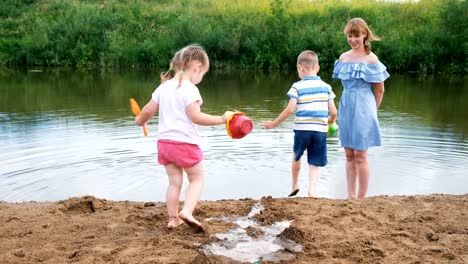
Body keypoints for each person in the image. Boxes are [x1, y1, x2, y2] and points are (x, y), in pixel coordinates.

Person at [135, 44, 233, 231]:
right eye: (202, 74)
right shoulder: (190, 89)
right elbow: (196, 117)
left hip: (164, 145)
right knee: (197, 179)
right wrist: (222, 119)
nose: (201, 78)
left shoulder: (163, 87)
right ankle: (187, 212)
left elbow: (147, 111)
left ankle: (172, 219)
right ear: (196, 68)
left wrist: (140, 120)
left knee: (174, 182)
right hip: (185, 144)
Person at [261, 50, 337, 198]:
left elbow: (290, 109)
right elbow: (334, 111)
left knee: (297, 156)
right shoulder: (327, 87)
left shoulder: (297, 86)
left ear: (300, 68)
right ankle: (312, 191)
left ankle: (295, 185)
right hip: (320, 130)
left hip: (302, 129)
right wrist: (330, 122)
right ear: (318, 68)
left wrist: (274, 123)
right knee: (314, 162)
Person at [332, 18, 390, 199]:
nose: (352, 39)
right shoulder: (343, 57)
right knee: (349, 154)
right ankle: (350, 196)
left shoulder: (371, 59)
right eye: (350, 35)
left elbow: (379, 89)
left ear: (364, 34)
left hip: (364, 106)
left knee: (360, 155)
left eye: (356, 35)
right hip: (346, 104)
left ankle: (362, 197)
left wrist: (372, 111)